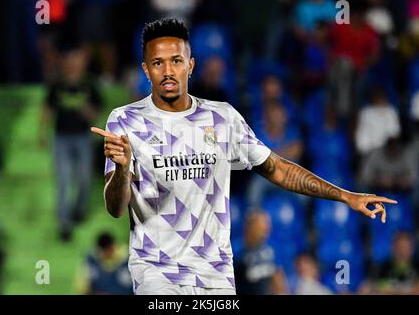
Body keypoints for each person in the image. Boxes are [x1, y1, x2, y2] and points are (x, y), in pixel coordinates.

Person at [90, 18, 397, 295]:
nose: (168, 71)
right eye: (158, 63)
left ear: (191, 65)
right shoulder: (125, 121)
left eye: (176, 61)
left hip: (215, 277)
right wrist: (122, 169)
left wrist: (344, 195)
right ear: (146, 69)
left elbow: (278, 170)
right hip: (158, 274)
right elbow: (116, 208)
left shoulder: (222, 118)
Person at [40, 42, 103, 242]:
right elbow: (47, 108)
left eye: (78, 59)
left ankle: (79, 210)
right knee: (64, 180)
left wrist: (88, 111)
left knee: (85, 178)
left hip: (83, 138)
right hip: (61, 138)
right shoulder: (57, 83)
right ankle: (64, 224)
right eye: (70, 59)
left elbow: (98, 111)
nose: (74, 64)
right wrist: (42, 132)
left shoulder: (90, 84)